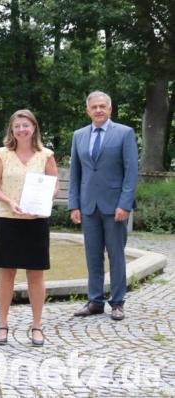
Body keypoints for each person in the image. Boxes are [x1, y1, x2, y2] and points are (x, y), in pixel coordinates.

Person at [0, 109, 58, 347]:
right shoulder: (2, 154)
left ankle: (37, 326)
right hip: (8, 219)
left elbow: (54, 186)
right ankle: (2, 324)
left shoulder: (46, 155)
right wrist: (9, 201)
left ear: (34, 127)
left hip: (36, 222)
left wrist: (45, 201)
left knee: (36, 276)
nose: (21, 130)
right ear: (12, 129)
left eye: (25, 125)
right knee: (6, 274)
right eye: (17, 126)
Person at [70, 91, 138, 321]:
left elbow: (131, 172)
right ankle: (95, 301)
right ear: (87, 110)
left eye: (102, 106)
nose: (98, 110)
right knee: (92, 256)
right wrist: (74, 205)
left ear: (110, 109)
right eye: (94, 107)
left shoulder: (124, 133)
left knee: (116, 255)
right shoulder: (78, 135)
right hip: (88, 206)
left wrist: (125, 204)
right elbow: (75, 174)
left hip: (115, 207)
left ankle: (118, 302)